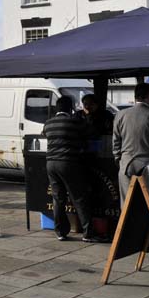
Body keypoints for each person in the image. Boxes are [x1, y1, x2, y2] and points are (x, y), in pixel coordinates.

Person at [43, 95, 101, 243]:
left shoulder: (48, 123)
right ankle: (87, 233)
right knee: (79, 197)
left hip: (50, 163)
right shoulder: (74, 121)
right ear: (70, 108)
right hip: (68, 162)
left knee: (58, 198)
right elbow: (92, 132)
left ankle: (60, 232)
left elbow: (45, 134)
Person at [112, 83, 149, 201]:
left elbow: (115, 143)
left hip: (126, 165)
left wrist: (119, 161)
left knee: (126, 206)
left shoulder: (120, 115)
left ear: (135, 97)